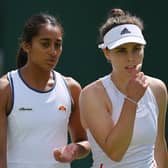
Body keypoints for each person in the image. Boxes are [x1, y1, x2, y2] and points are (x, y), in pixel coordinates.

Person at [79, 8, 168, 168]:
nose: (131, 58)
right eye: (121, 50)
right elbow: (115, 153)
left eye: (136, 49)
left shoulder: (158, 89)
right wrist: (132, 100)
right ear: (107, 52)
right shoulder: (91, 94)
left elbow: (159, 145)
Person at [0, 13, 90, 168]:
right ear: (26, 45)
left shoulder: (72, 88)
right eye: (45, 44)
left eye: (58, 44)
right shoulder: (5, 89)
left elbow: (84, 141)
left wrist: (74, 150)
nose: (53, 51)